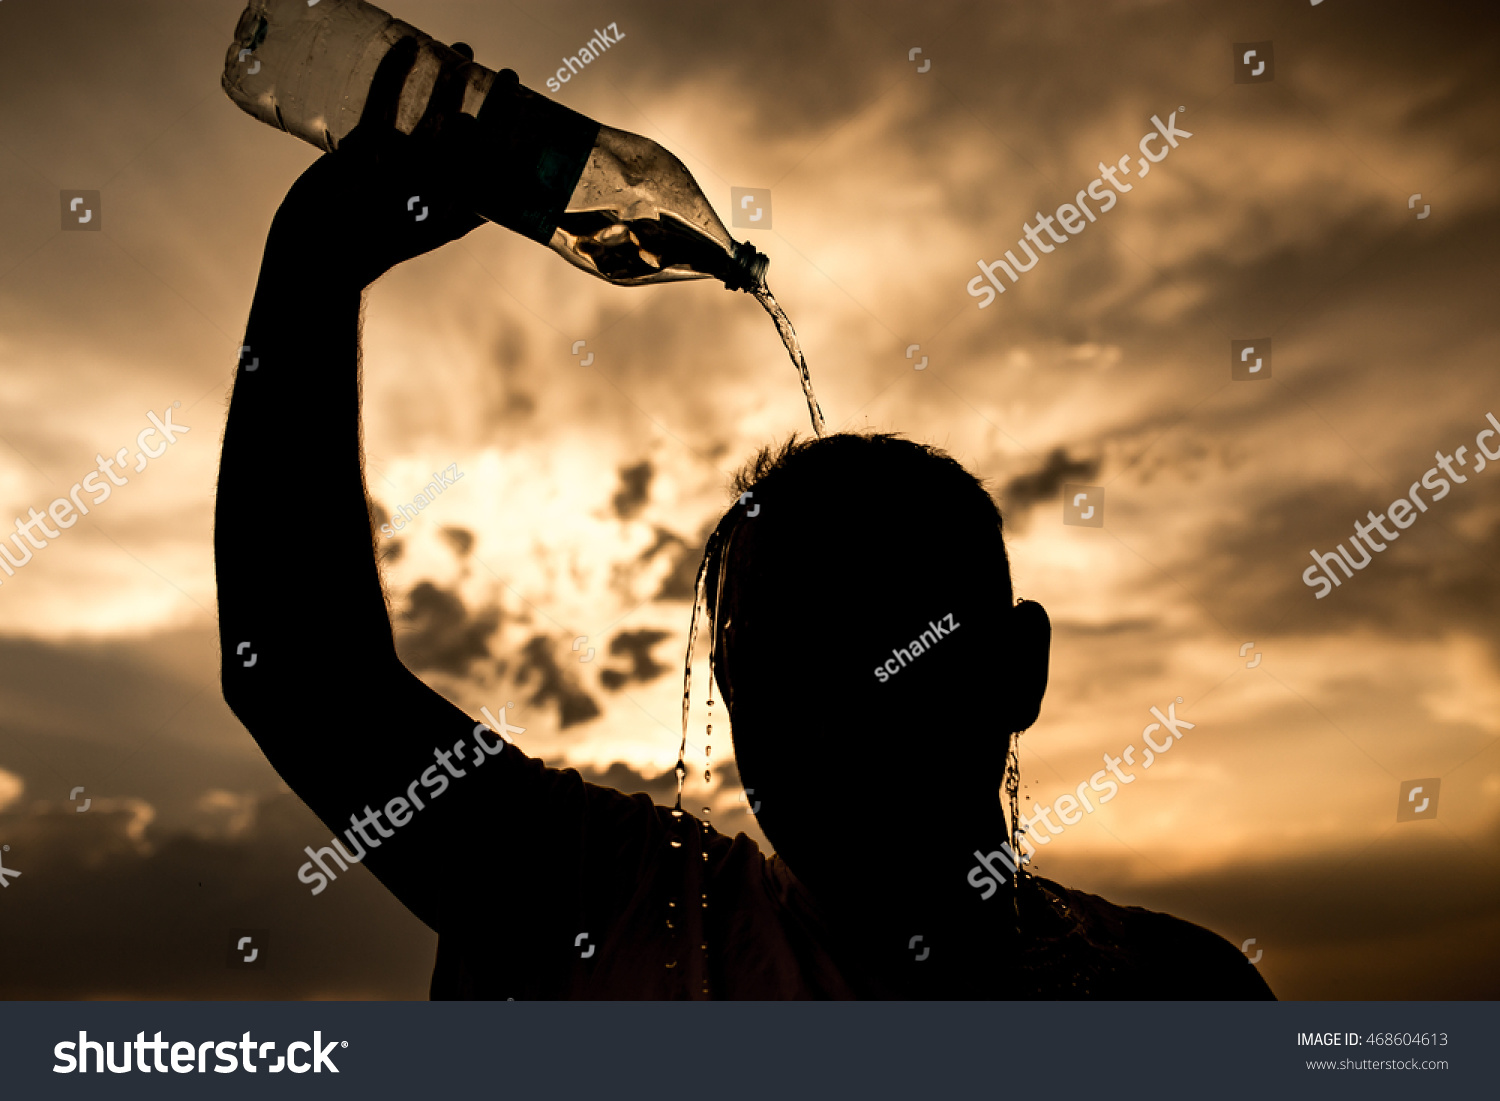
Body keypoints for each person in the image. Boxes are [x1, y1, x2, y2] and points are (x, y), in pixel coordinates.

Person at [215, 73, 1273, 1000]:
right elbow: (303, 678)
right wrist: (313, 266)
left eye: (881, 642)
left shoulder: (1178, 994)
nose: (823, 715)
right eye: (771, 667)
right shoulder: (606, 903)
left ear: (1017, 668)